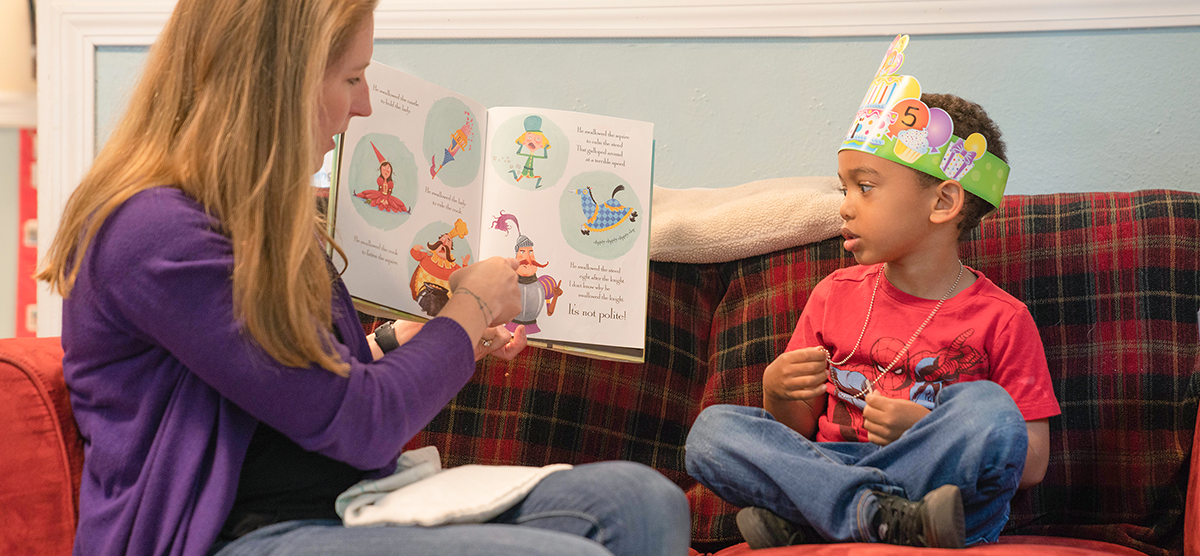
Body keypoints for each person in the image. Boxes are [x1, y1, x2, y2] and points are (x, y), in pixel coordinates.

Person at [37, 1, 689, 555]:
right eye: (351, 78)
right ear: (274, 87)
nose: (364, 104)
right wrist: (467, 307)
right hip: (231, 535)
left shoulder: (259, 216)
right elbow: (357, 421)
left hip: (346, 503)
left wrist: (401, 342)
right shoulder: (157, 233)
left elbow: (289, 385)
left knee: (643, 501)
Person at [685, 35, 1060, 549]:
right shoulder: (833, 294)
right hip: (831, 465)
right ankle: (870, 513)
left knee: (989, 408)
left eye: (865, 187)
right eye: (844, 189)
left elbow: (1031, 460)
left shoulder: (1003, 318)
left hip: (940, 491)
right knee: (712, 432)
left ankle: (822, 515)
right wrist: (778, 392)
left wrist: (924, 428)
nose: (845, 206)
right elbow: (793, 432)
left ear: (943, 201)